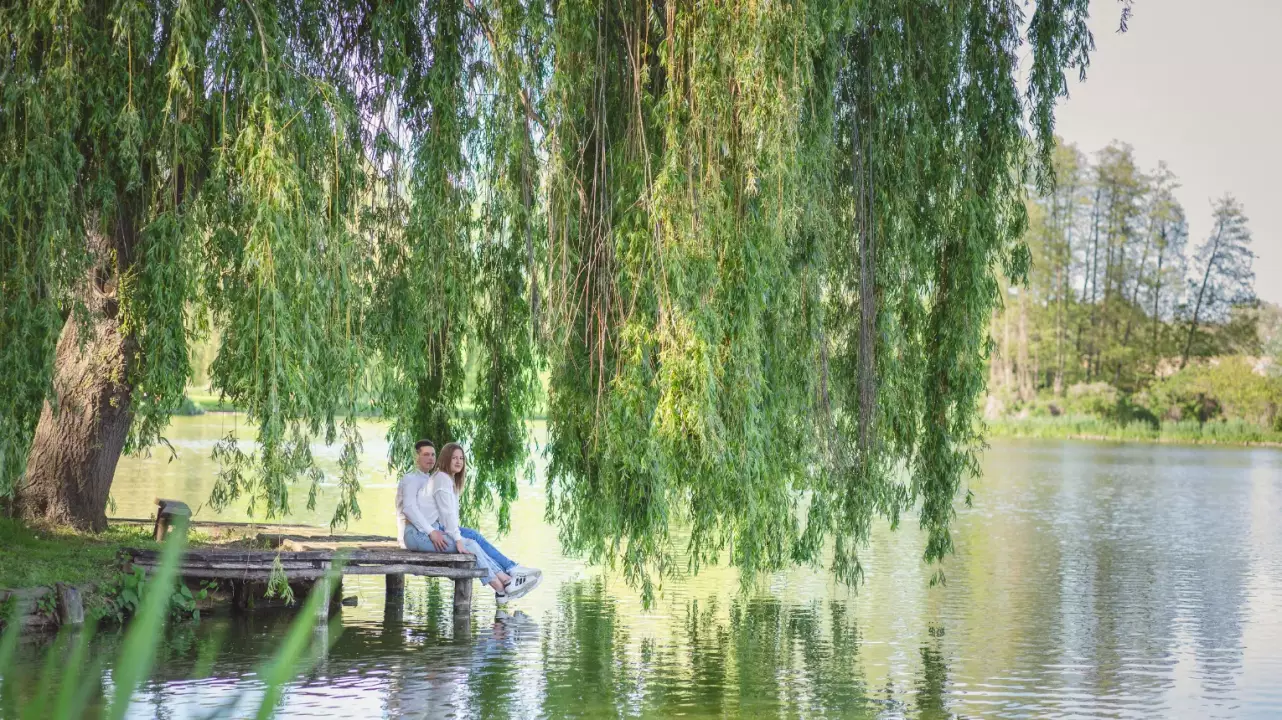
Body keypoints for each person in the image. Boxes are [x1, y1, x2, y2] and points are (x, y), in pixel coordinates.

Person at [395, 439, 541, 604]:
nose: (430, 458)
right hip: (417, 533)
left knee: (472, 536)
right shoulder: (419, 479)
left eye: (433, 454)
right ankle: (503, 586)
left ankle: (512, 570)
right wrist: (446, 536)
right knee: (469, 545)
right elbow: (411, 509)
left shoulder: (437, 478)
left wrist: (453, 533)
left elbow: (447, 515)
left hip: (431, 529)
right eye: (426, 454)